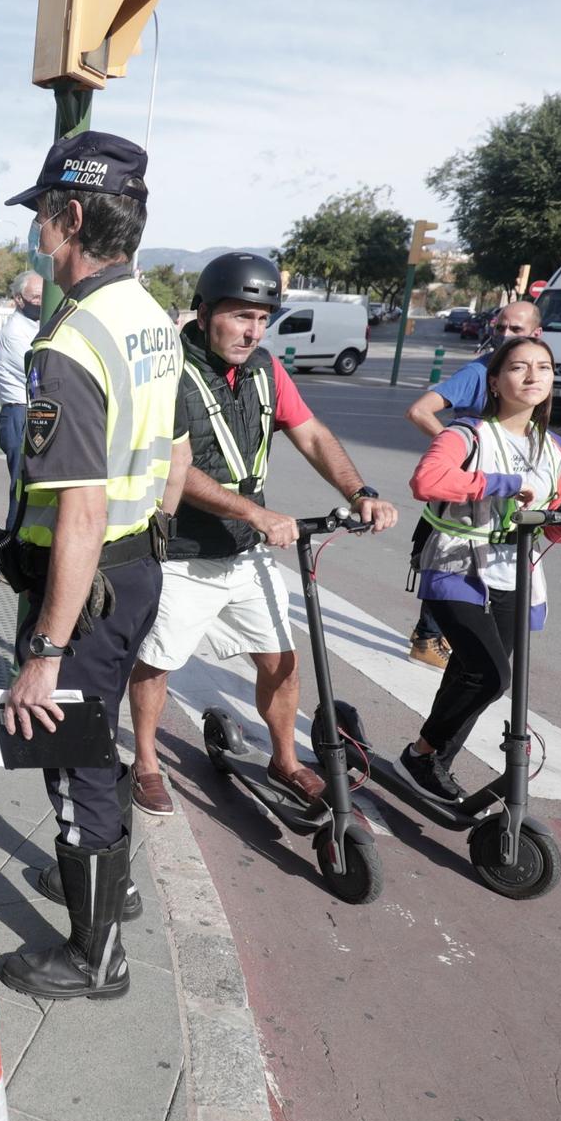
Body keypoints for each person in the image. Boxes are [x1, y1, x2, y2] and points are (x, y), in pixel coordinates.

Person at [0, 132, 190, 1001]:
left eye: (43, 212)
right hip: (138, 566)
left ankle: (94, 953)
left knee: (70, 752)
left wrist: (45, 649)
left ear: (71, 217)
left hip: (90, 581)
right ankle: (114, 888)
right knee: (96, 736)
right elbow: (176, 459)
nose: (36, 227)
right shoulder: (152, 319)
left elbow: (77, 511)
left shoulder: (71, 341)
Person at [127, 252, 398, 817]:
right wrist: (254, 513)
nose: (252, 330)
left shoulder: (266, 370)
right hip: (182, 551)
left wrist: (360, 492)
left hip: (246, 553)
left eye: (261, 317)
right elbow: (173, 466)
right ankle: (147, 763)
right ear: (203, 313)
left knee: (282, 661)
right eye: (238, 315)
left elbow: (313, 435)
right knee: (157, 661)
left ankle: (284, 759)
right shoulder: (170, 369)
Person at [401, 336, 561, 800]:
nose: (534, 376)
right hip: (455, 565)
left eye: (544, 368)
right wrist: (503, 483)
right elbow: (427, 480)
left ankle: (430, 760)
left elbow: (559, 516)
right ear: (494, 382)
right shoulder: (466, 434)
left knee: (468, 673)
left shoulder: (555, 450)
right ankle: (424, 753)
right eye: (519, 368)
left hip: (516, 574)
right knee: (491, 676)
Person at [402, 299, 542, 669]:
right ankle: (428, 638)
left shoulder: (532, 379)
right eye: (500, 328)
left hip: (503, 499)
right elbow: (419, 411)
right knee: (453, 561)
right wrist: (461, 452)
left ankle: (449, 639)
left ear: (537, 334)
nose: (504, 336)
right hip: (467, 497)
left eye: (516, 330)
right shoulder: (479, 373)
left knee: (488, 568)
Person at [0, 270, 45, 484]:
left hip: (30, 411)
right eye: (36, 297)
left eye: (44, 296)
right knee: (21, 488)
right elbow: (39, 373)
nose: (40, 302)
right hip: (18, 414)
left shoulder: (35, 325)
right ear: (19, 299)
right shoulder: (13, 333)